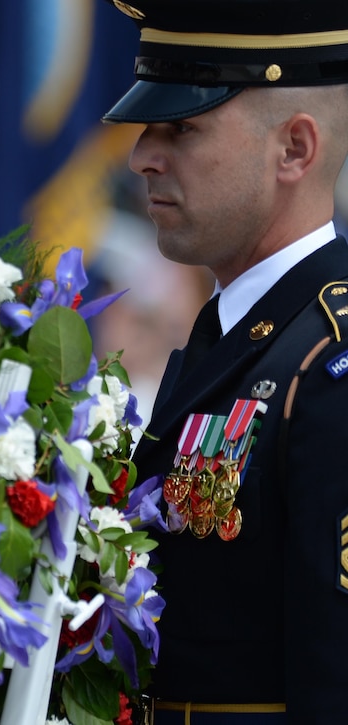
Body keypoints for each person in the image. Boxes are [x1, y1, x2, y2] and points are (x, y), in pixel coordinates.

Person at [103, 0, 348, 721]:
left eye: (183, 127)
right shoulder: (235, 334)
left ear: (294, 150)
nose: (142, 155)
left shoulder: (329, 366)